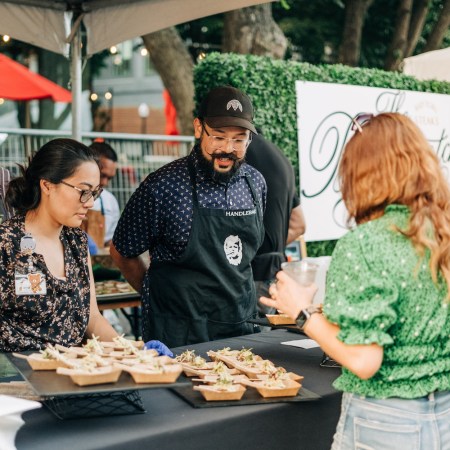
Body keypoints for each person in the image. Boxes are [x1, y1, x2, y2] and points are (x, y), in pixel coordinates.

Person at [261, 112, 450, 449]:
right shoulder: (441, 232)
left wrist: (303, 312)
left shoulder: (365, 244)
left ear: (360, 173)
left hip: (386, 424)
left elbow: (364, 360)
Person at [111, 85, 266, 347]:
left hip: (240, 327)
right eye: (218, 137)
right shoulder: (163, 185)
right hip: (178, 333)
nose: (228, 148)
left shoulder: (256, 182)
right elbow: (122, 251)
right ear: (198, 128)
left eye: (239, 140)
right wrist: (154, 296)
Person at [0, 138, 118, 352]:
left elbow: (92, 318)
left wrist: (128, 350)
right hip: (19, 377)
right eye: (83, 190)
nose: (90, 202)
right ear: (47, 185)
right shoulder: (6, 242)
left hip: (73, 373)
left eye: (94, 192)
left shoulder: (77, 242)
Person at [245, 132, 305, 315]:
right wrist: (273, 245)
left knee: (245, 341)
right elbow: (299, 224)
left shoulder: (240, 156)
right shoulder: (280, 158)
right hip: (274, 271)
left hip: (251, 276)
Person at [87, 140, 120, 248]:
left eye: (109, 178)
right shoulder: (69, 196)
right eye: (102, 175)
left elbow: (111, 240)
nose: (105, 182)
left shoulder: (110, 200)